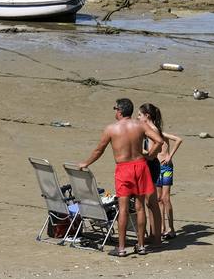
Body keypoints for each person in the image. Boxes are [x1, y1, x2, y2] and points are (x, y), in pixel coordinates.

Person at [78, 97, 164, 257]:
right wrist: (150, 156)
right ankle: (141, 246)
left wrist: (86, 163)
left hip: (124, 168)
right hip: (140, 166)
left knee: (123, 208)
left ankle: (122, 248)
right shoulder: (140, 125)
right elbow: (159, 140)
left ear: (119, 111)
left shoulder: (111, 129)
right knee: (140, 208)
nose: (115, 112)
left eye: (115, 109)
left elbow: (99, 150)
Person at [141, 103, 183, 240]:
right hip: (157, 167)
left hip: (166, 167)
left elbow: (178, 139)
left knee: (165, 198)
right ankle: (162, 228)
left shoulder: (158, 132)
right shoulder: (149, 132)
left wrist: (170, 155)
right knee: (158, 199)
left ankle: (171, 228)